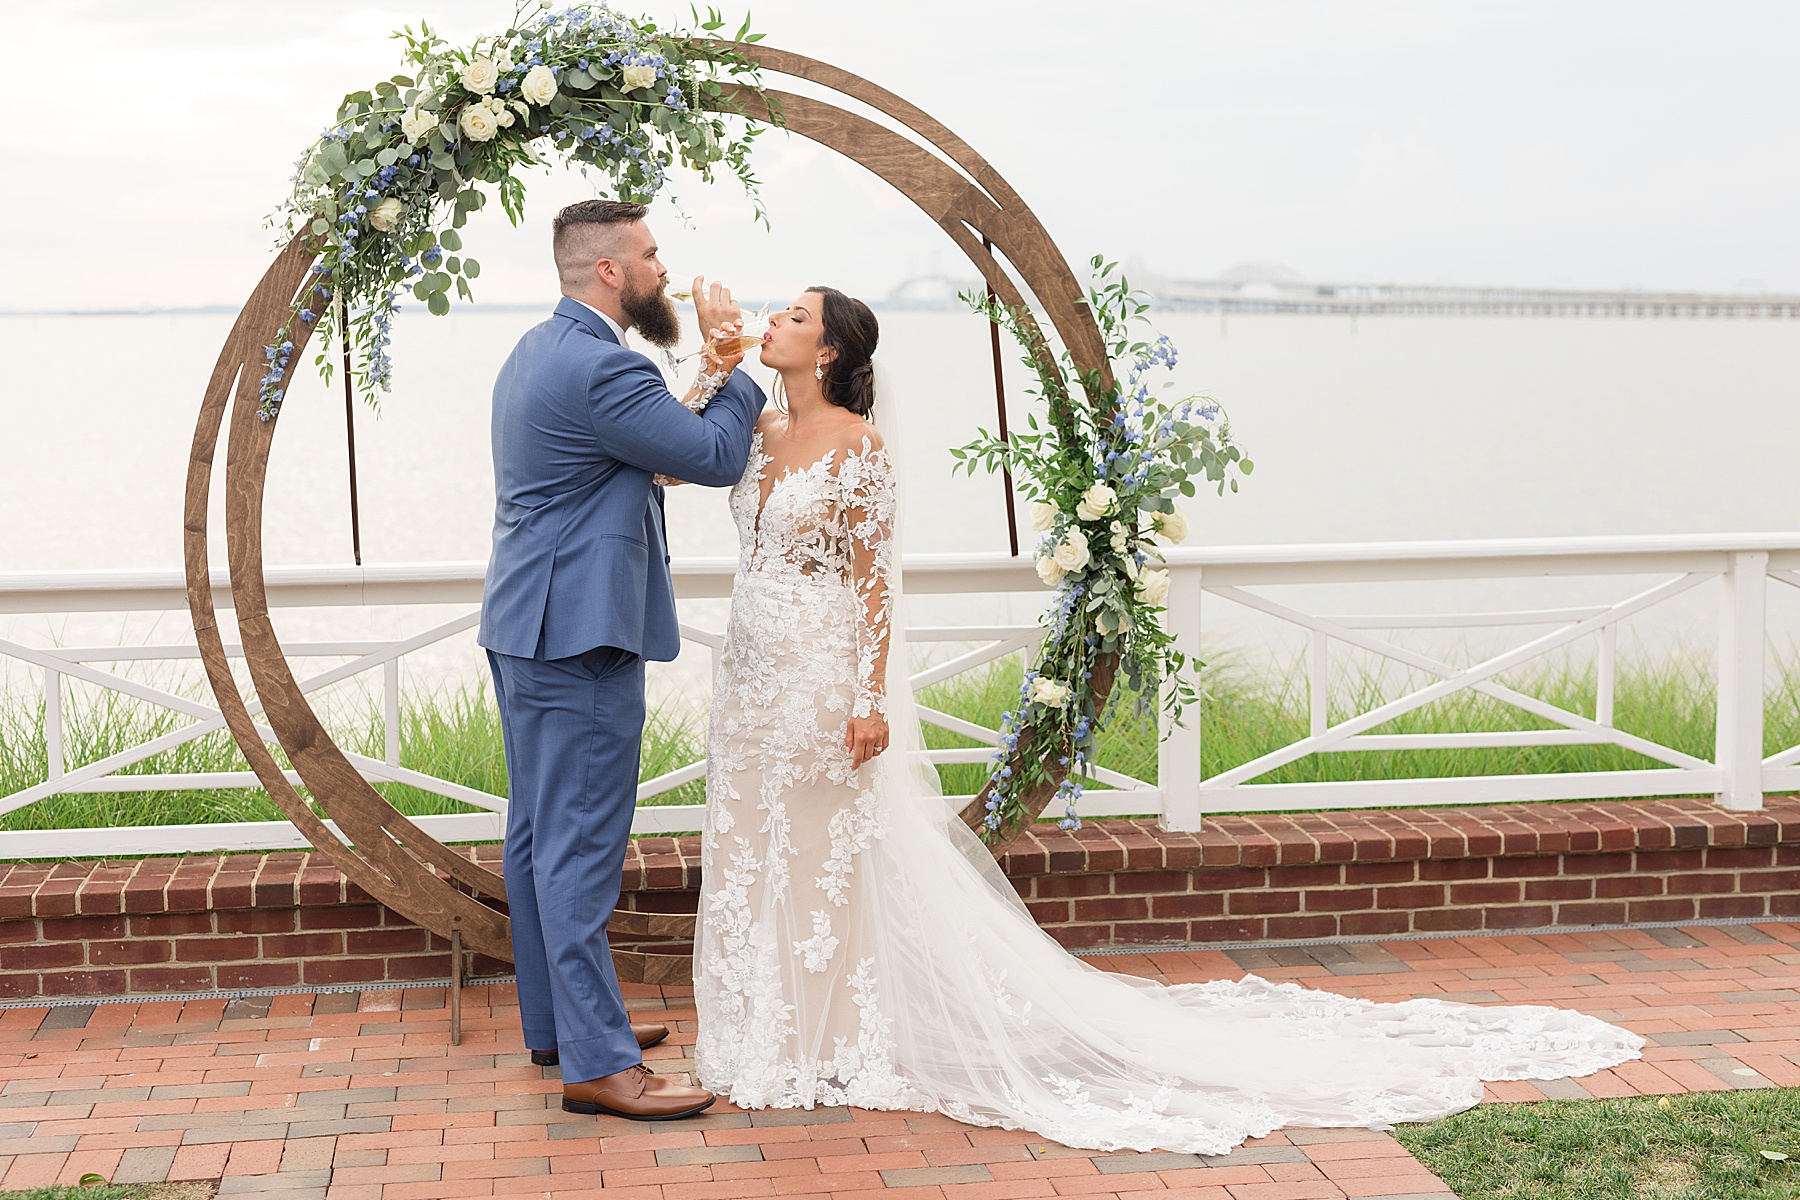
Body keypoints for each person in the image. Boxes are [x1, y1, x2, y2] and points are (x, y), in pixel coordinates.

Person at [690, 285, 1646, 1154]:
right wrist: (712, 359)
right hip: (752, 676)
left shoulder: (861, 448)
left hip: (822, 678)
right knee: (756, 849)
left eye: (795, 317)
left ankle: (829, 1039)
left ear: (830, 351)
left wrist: (868, 698)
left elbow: (873, 588)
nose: (773, 320)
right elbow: (668, 458)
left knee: (828, 856)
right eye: (776, 313)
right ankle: (760, 1029)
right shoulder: (761, 430)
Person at [478, 199, 764, 1121]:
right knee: (580, 847)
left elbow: (658, 453)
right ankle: (599, 1066)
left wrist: (709, 368)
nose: (662, 271)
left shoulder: (541, 350)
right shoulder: (604, 366)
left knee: (535, 837)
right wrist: (741, 365)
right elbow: (716, 458)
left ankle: (563, 1025)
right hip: (580, 636)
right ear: (610, 271)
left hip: (525, 624)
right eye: (649, 255)